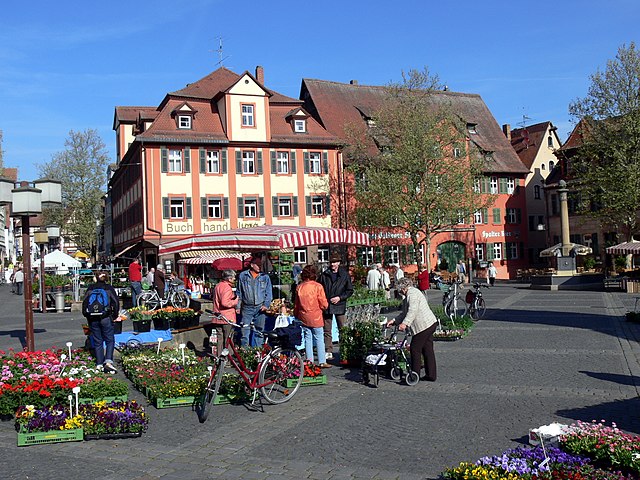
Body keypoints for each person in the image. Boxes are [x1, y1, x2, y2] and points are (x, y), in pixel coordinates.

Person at [386, 277, 438, 382]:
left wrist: (405, 324)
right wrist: (394, 321)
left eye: (399, 289)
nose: (399, 291)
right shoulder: (409, 295)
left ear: (403, 288)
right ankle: (431, 375)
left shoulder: (412, 294)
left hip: (423, 326)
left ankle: (414, 374)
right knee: (427, 349)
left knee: (415, 348)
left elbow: (412, 311)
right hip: (429, 324)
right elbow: (404, 313)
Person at [318, 252, 354, 361]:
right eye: (331, 262)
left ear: (339, 263)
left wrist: (340, 297)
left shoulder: (344, 275)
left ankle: (344, 349)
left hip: (339, 304)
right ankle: (328, 350)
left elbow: (349, 290)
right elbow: (320, 289)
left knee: (342, 329)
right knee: (327, 330)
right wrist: (323, 301)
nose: (333, 264)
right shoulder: (324, 275)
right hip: (327, 305)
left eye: (335, 262)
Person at [82, 270, 119, 374]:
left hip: (93, 318)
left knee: (97, 341)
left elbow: (85, 303)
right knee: (109, 340)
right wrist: (114, 316)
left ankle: (99, 363)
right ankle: (108, 362)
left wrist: (87, 315)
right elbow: (115, 302)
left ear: (96, 277)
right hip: (106, 317)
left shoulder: (90, 288)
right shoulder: (109, 288)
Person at [294, 265, 331, 368]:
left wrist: (296, 314)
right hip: (316, 315)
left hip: (303, 315)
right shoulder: (318, 286)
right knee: (319, 338)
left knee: (307, 338)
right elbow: (324, 304)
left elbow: (296, 304)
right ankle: (322, 361)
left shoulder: (299, 287)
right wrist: (324, 307)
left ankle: (309, 361)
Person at [237, 255, 273, 347]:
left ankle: (258, 353)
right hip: (247, 308)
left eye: (261, 265)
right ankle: (245, 353)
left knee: (259, 331)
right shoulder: (243, 276)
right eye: (258, 265)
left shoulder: (265, 277)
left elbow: (268, 293)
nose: (260, 267)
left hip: (260, 308)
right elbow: (239, 292)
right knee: (244, 332)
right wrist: (238, 306)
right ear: (252, 265)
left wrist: (266, 305)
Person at [212, 269, 239, 353]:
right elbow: (225, 303)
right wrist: (236, 301)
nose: (235, 279)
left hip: (218, 315)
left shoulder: (218, 285)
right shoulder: (227, 287)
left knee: (220, 339)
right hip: (227, 317)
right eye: (234, 278)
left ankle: (219, 358)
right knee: (228, 339)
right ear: (229, 278)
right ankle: (228, 358)